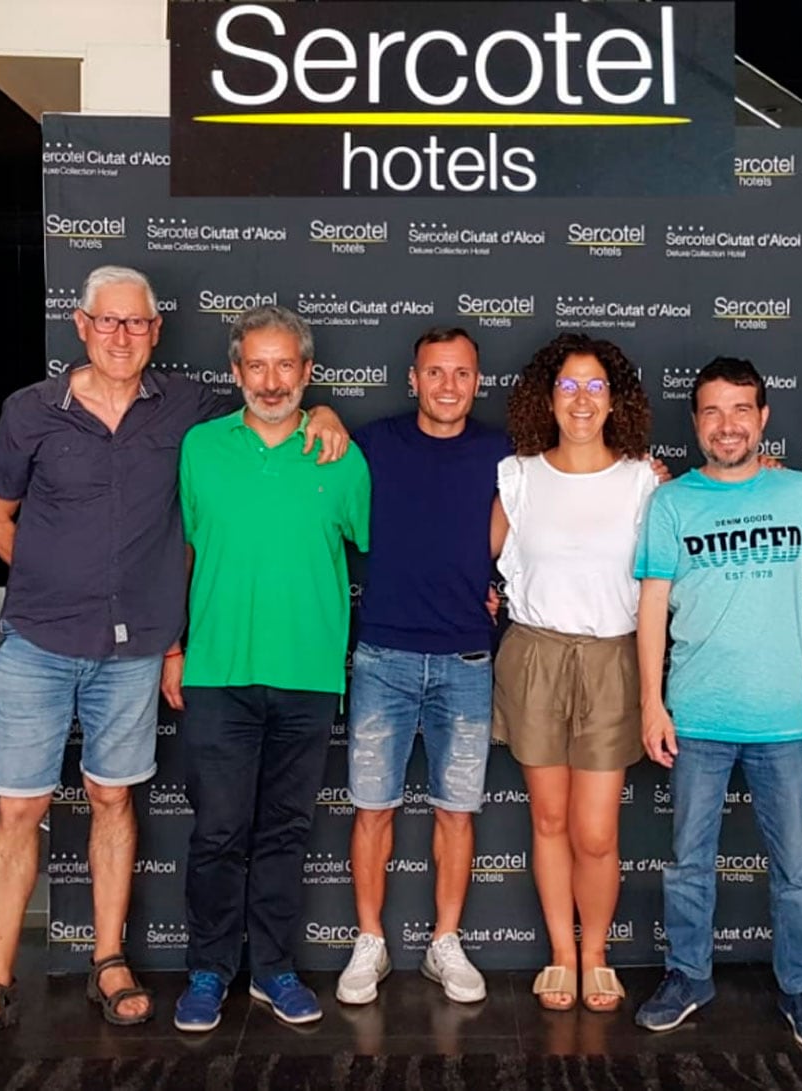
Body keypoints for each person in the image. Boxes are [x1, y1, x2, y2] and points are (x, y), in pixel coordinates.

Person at [0, 268, 348, 1055]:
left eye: (138, 324)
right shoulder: (30, 411)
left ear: (156, 331)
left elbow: (275, 406)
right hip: (40, 642)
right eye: (108, 323)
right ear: (82, 325)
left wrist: (327, 410)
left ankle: (110, 961)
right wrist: (54, 581)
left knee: (112, 801)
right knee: (20, 808)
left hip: (134, 649)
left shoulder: (188, 407)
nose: (122, 336)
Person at [630, 357, 802, 1048]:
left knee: (794, 865)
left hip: (782, 721)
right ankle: (687, 975)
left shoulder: (799, 491)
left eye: (741, 409)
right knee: (687, 861)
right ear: (697, 420)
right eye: (712, 410)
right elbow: (651, 606)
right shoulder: (672, 503)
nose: (727, 424)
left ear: (763, 417)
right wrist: (653, 702)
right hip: (697, 715)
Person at [170, 305, 371, 1033]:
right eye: (256, 364)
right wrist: (171, 647)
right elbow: (181, 555)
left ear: (308, 371)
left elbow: (382, 539)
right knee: (219, 829)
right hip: (218, 670)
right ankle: (208, 970)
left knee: (286, 829)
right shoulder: (199, 447)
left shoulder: (338, 454)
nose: (271, 379)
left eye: (287, 364)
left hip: (309, 673)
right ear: (235, 371)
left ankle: (275, 968)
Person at [336, 328, 511, 1006]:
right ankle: (370, 942)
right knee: (371, 807)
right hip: (382, 655)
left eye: (460, 373)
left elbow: (555, 513)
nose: (447, 385)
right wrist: (322, 414)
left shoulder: (503, 453)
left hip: (467, 656)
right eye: (435, 372)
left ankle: (444, 942)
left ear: (476, 380)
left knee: (456, 811)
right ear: (413, 379)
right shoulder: (373, 443)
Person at [489, 332, 657, 1013]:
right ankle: (563, 952)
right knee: (549, 816)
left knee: (596, 830)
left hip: (613, 658)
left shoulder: (645, 479)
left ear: (614, 399)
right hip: (535, 653)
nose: (581, 399)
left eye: (595, 386)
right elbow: (485, 558)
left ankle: (598, 954)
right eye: (568, 386)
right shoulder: (518, 475)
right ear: (546, 398)